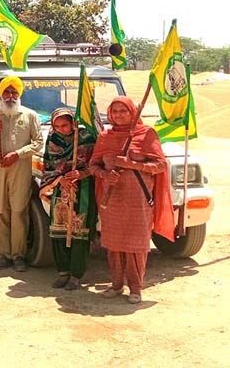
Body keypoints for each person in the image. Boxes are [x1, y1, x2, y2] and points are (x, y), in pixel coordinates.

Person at [88, 97, 175, 304]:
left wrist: (132, 165)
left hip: (138, 200)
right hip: (112, 201)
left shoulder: (146, 134)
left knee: (136, 245)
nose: (118, 115)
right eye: (114, 111)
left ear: (133, 112)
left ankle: (135, 288)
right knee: (114, 244)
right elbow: (93, 165)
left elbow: (161, 165)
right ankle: (116, 285)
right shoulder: (105, 136)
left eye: (123, 111)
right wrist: (104, 175)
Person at [0, 76, 43, 272]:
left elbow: (38, 143)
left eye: (14, 92)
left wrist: (18, 154)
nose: (10, 96)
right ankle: (4, 254)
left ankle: (18, 255)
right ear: (1, 95)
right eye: (7, 92)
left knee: (19, 211)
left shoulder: (30, 115)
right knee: (0, 211)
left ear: (19, 95)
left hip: (20, 168)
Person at [42, 108, 97, 291]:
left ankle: (75, 275)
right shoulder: (52, 140)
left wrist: (81, 173)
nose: (61, 129)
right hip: (61, 188)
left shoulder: (86, 137)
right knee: (59, 231)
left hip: (83, 189)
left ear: (73, 122)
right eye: (56, 126)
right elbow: (48, 165)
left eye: (64, 125)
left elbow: (97, 163)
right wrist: (61, 179)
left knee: (79, 232)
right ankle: (63, 272)